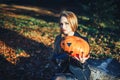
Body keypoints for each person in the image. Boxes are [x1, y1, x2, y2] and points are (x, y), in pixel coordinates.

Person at [52, 10, 91, 80]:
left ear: (73, 23)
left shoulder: (83, 41)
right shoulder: (58, 39)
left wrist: (82, 62)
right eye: (61, 24)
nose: (63, 27)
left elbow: (85, 65)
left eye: (66, 23)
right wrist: (61, 57)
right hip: (62, 71)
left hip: (77, 72)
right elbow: (54, 58)